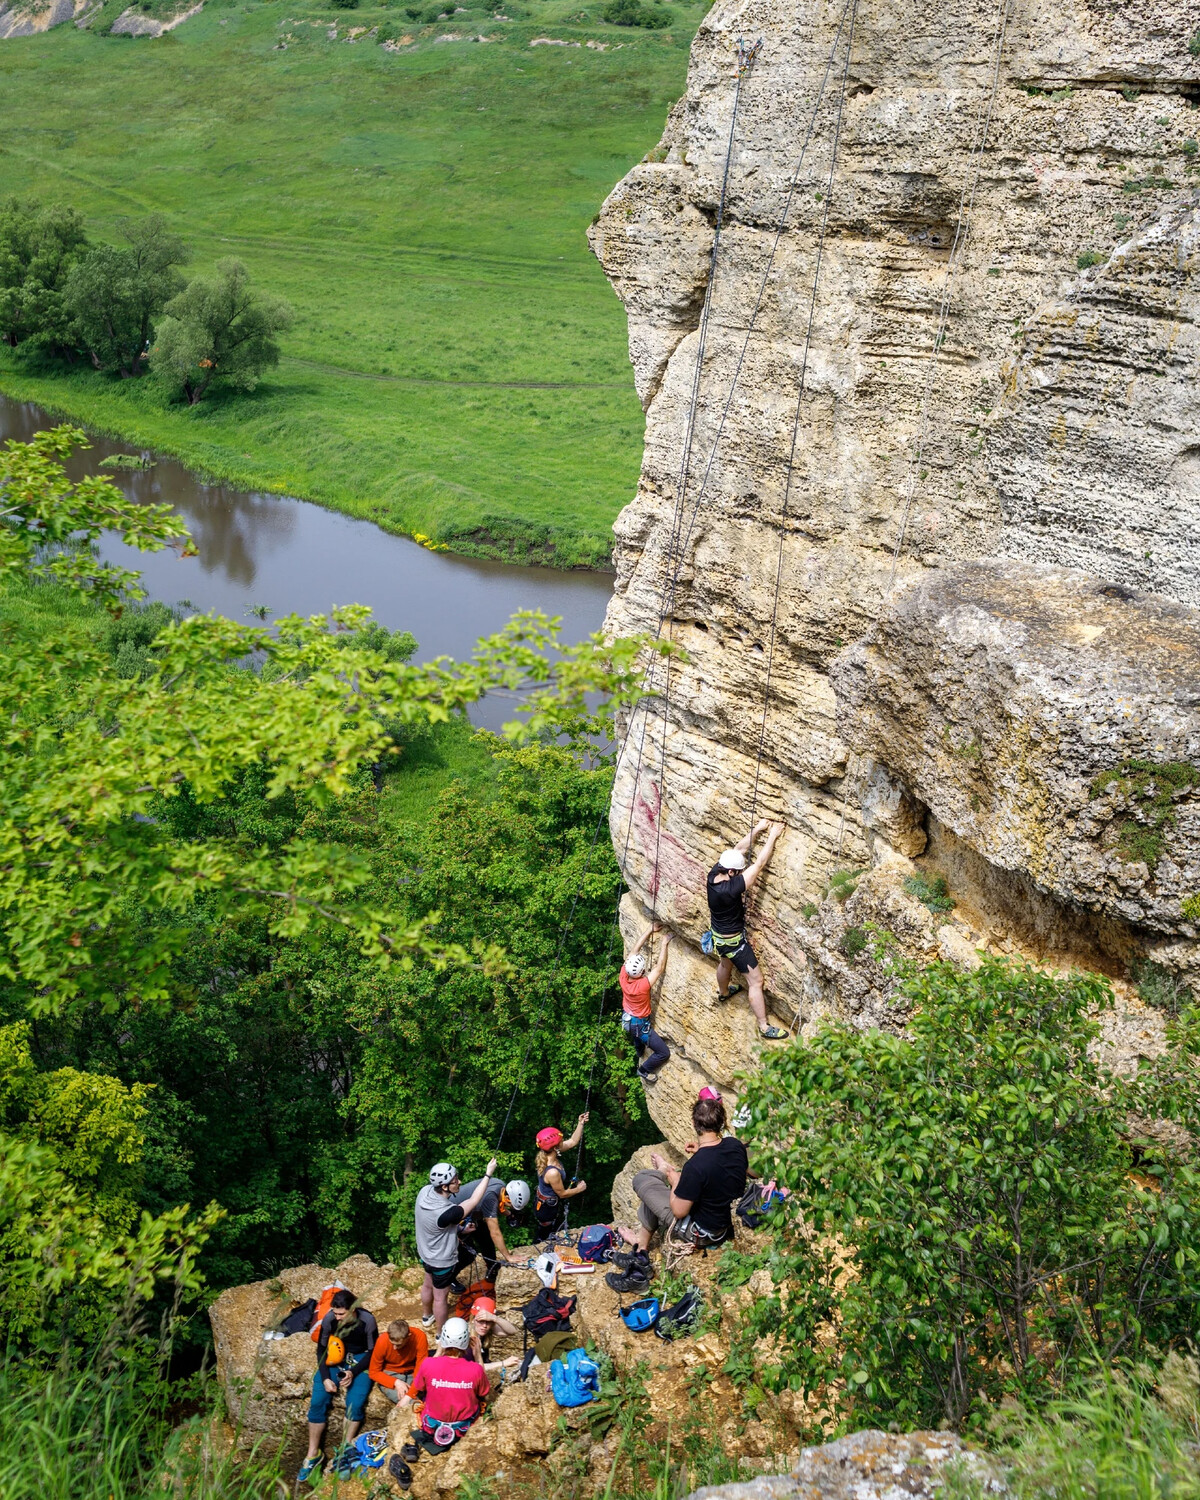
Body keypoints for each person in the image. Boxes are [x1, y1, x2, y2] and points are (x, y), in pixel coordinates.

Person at [605, 1094, 748, 1292]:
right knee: (652, 1199)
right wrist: (700, 1150)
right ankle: (641, 1253)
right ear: (722, 1122)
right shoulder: (736, 1146)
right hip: (724, 1222)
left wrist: (675, 1180)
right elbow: (723, 1163)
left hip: (704, 1232)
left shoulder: (695, 1167)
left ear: (694, 1123)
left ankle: (662, 1171)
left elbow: (679, 1211)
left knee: (642, 1179)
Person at [706, 820, 789, 1040]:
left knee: (725, 962)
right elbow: (759, 864)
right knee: (756, 981)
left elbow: (738, 849)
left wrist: (759, 829)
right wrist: (773, 835)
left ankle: (724, 993)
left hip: (718, 936)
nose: (741, 871)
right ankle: (764, 1027)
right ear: (732, 872)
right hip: (735, 943)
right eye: (739, 870)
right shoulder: (731, 888)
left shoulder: (714, 875)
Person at [298, 1288, 380, 1483]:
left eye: (341, 1313)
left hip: (360, 1359)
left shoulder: (367, 1321)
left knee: (355, 1403)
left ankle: (345, 1448)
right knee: (318, 1400)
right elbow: (321, 1349)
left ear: (353, 1309)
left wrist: (354, 1372)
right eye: (335, 1313)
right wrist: (326, 1377)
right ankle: (312, 1454)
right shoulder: (330, 1319)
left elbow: (372, 1351)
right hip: (337, 1356)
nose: (338, 1317)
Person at [414, 1157, 498, 1334]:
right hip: (441, 1260)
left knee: (427, 1284)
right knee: (440, 1297)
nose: (459, 1182)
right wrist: (488, 1174)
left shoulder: (425, 1192)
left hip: (425, 1252)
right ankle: (439, 1333)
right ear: (444, 1187)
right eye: (454, 1181)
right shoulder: (447, 1211)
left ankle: (426, 1316)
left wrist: (460, 1229)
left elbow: (441, 1226)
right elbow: (474, 1199)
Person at [401, 1317, 490, 1461]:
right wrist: (478, 1356)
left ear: (443, 1339)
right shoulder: (475, 1370)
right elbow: (484, 1392)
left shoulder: (429, 1364)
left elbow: (419, 1387)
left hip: (432, 1424)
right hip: (463, 1426)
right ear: (466, 1341)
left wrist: (438, 1352)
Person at [620, 922, 673, 1086]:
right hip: (639, 1025)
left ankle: (639, 1049)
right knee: (663, 1053)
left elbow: (633, 951)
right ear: (641, 972)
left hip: (627, 1020)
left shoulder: (623, 976)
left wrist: (649, 930)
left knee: (636, 1036)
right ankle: (643, 1070)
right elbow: (660, 968)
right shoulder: (642, 986)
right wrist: (664, 943)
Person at [454, 1176, 531, 1280]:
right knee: (468, 1254)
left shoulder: (500, 1185)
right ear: (508, 1199)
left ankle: (492, 1268)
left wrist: (508, 1214)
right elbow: (495, 1232)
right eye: (510, 1206)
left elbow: (495, 1205)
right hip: (452, 1218)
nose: (509, 1208)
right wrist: (508, 1257)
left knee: (485, 1238)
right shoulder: (490, 1198)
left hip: (470, 1214)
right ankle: (449, 1279)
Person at [533, 1115, 588, 1240]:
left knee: (550, 1229)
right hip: (547, 1209)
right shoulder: (552, 1172)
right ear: (555, 1147)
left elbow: (573, 1141)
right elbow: (562, 1194)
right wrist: (580, 1188)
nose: (563, 1142)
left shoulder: (547, 1154)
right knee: (546, 1234)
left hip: (545, 1203)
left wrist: (580, 1123)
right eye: (561, 1141)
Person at [368, 1318, 429, 1406]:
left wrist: (410, 1394)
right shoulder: (382, 1341)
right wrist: (395, 1382)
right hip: (391, 1374)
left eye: (398, 1345)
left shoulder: (419, 1337)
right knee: (412, 1404)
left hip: (412, 1372)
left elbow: (420, 1369)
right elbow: (373, 1372)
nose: (394, 1348)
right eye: (392, 1343)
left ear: (409, 1336)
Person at [465, 1294, 519, 1367]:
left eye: (488, 1321)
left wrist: (494, 1318)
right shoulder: (465, 1338)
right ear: (473, 1320)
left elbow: (513, 1331)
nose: (484, 1325)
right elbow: (474, 1367)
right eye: (481, 1321)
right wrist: (504, 1363)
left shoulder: (486, 1329)